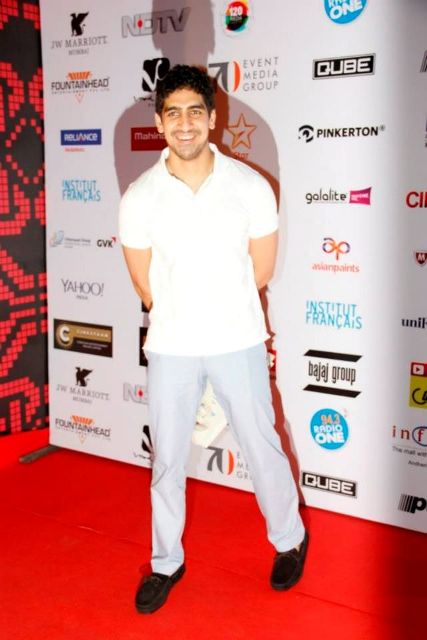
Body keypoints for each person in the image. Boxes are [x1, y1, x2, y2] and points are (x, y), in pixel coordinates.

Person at [119, 65, 308, 614]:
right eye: (173, 113)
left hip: (238, 340)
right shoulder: (140, 196)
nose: (185, 124)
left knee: (261, 445)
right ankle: (165, 562)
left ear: (212, 117)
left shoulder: (250, 186)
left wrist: (220, 314)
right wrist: (184, 316)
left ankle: (289, 539)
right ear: (159, 123)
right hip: (171, 347)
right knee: (166, 460)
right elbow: (143, 283)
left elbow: (261, 270)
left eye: (195, 112)